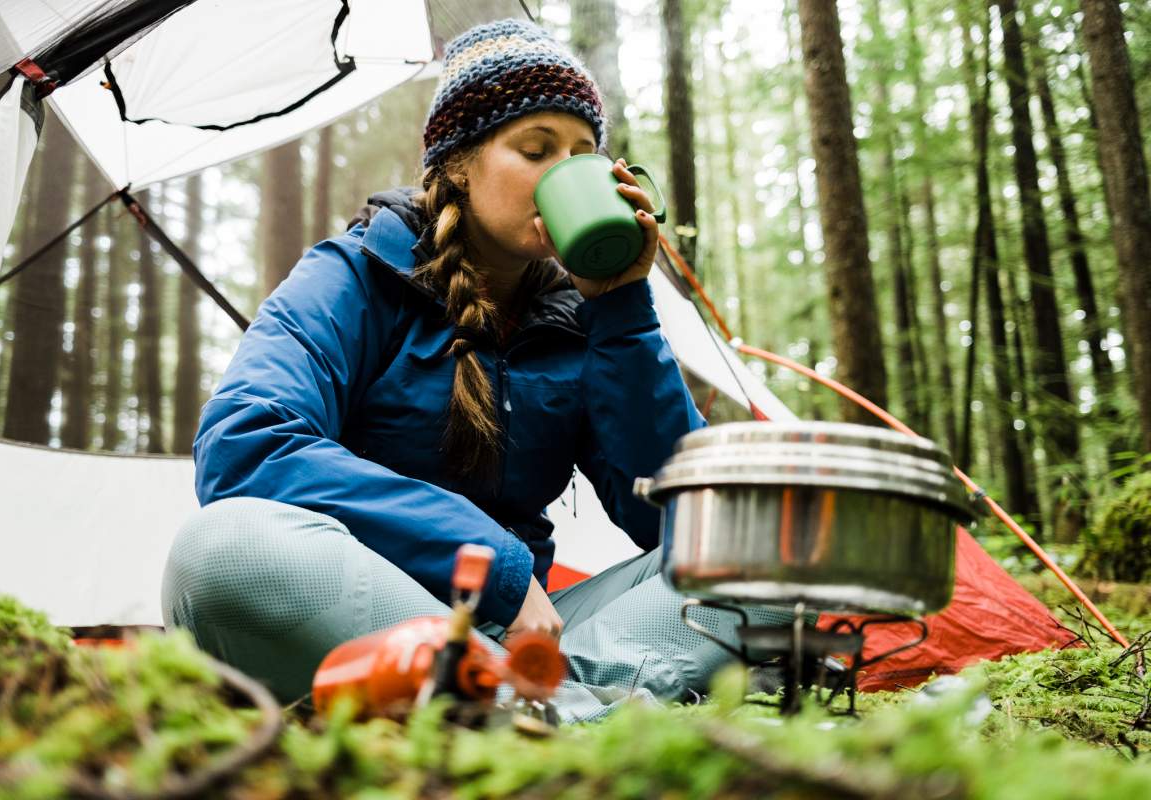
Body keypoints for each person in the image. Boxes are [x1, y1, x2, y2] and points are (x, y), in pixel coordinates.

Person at [161, 18, 792, 723]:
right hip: (364, 614)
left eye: (585, 155)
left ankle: (536, 714)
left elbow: (679, 523)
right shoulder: (355, 276)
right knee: (219, 552)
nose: (568, 172)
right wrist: (492, 565)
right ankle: (555, 712)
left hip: (537, 640)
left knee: (765, 553)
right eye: (536, 149)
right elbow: (247, 444)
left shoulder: (581, 322)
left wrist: (622, 312)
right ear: (458, 163)